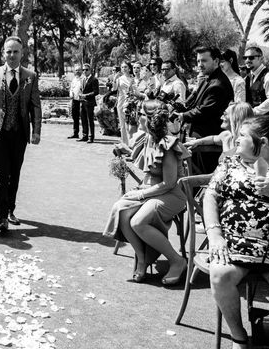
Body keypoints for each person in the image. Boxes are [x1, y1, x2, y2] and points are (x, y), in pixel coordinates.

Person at [203, 116, 269, 348]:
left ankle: (267, 332)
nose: (236, 138)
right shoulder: (230, 162)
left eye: (243, 135)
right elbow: (210, 195)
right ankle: (239, 336)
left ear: (262, 142)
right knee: (220, 275)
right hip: (233, 244)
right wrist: (215, 235)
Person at [104, 99, 187, 285]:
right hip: (149, 189)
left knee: (138, 221)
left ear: (147, 118)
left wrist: (141, 195)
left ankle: (177, 260)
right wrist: (123, 150)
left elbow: (169, 183)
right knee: (121, 209)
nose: (135, 116)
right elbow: (140, 157)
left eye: (139, 113)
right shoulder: (148, 138)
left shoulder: (168, 144)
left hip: (171, 194)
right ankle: (142, 259)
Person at [0, 36, 42, 233]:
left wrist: (36, 131)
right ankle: (1, 218)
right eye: (9, 51)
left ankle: (10, 210)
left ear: (22, 53)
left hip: (20, 134)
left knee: (14, 174)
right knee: (0, 174)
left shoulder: (30, 76)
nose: (12, 55)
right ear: (3, 53)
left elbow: (35, 105)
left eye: (16, 51)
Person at [185, 102, 254, 159]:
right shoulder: (226, 135)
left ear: (235, 118)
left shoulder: (246, 143)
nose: (221, 118)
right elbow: (213, 139)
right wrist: (196, 142)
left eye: (225, 115)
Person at [243, 46, 269, 115]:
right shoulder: (247, 78)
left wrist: (254, 112)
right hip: (251, 121)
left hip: (267, 122)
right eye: (245, 58)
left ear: (261, 58)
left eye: (251, 57)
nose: (247, 60)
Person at [114, 61, 134, 145]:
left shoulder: (133, 78)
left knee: (131, 124)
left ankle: (132, 143)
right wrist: (114, 79)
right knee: (122, 125)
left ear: (129, 68)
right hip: (121, 102)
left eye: (125, 67)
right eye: (122, 67)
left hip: (131, 102)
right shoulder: (119, 79)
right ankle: (124, 143)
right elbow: (114, 90)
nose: (124, 69)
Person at [79, 63, 99, 143]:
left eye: (86, 70)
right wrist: (80, 94)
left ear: (90, 70)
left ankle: (91, 137)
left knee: (90, 120)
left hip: (90, 103)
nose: (84, 71)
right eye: (83, 70)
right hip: (83, 103)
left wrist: (85, 96)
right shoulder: (83, 79)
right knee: (83, 119)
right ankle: (85, 135)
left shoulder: (94, 79)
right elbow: (81, 89)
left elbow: (96, 92)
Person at [68, 67, 83, 139]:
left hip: (82, 100)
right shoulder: (74, 79)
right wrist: (71, 94)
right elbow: (71, 89)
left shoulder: (83, 79)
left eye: (79, 70)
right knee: (75, 117)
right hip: (74, 100)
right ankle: (75, 133)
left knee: (83, 117)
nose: (77, 71)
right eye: (76, 70)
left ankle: (85, 134)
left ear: (81, 71)